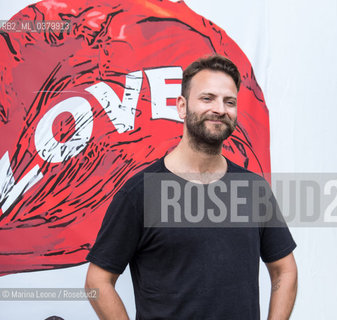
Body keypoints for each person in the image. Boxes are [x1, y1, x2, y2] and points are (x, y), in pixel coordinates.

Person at [85, 54, 298, 319]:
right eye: (207, 98)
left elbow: (284, 270)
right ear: (182, 106)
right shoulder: (140, 193)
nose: (220, 109)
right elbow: (97, 282)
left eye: (229, 101)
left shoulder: (253, 189)